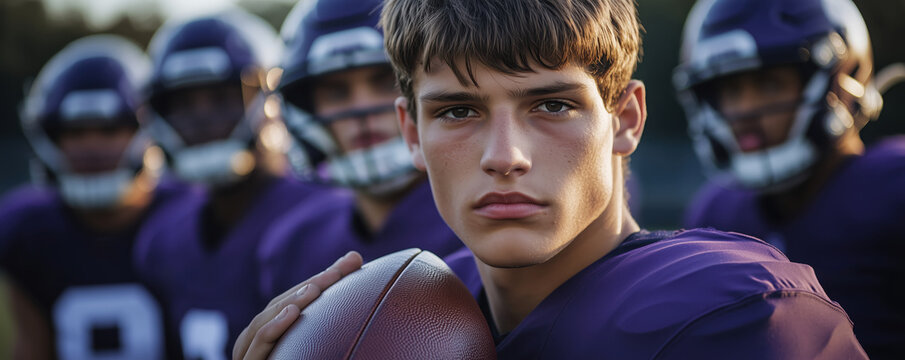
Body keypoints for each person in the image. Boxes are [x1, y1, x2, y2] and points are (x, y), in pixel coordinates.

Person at [234, 0, 869, 358]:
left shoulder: (734, 315)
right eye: (459, 111)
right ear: (410, 133)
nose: (504, 155)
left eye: (551, 105)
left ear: (625, 120)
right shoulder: (404, 311)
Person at [675, 0, 905, 357]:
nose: (746, 110)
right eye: (731, 89)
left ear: (840, 82)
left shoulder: (893, 187)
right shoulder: (716, 215)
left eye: (768, 84)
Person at [133, 9, 329, 360]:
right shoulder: (161, 240)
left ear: (271, 97)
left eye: (222, 98)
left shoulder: (324, 218)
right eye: (183, 103)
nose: (202, 117)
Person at [256, 0, 464, 300]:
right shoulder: (292, 246)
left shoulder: (477, 228)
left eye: (385, 80)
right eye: (336, 91)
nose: (361, 109)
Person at [0, 35, 185, 359]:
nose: (92, 146)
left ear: (146, 130)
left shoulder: (189, 216)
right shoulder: (29, 231)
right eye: (74, 132)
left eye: (110, 129)